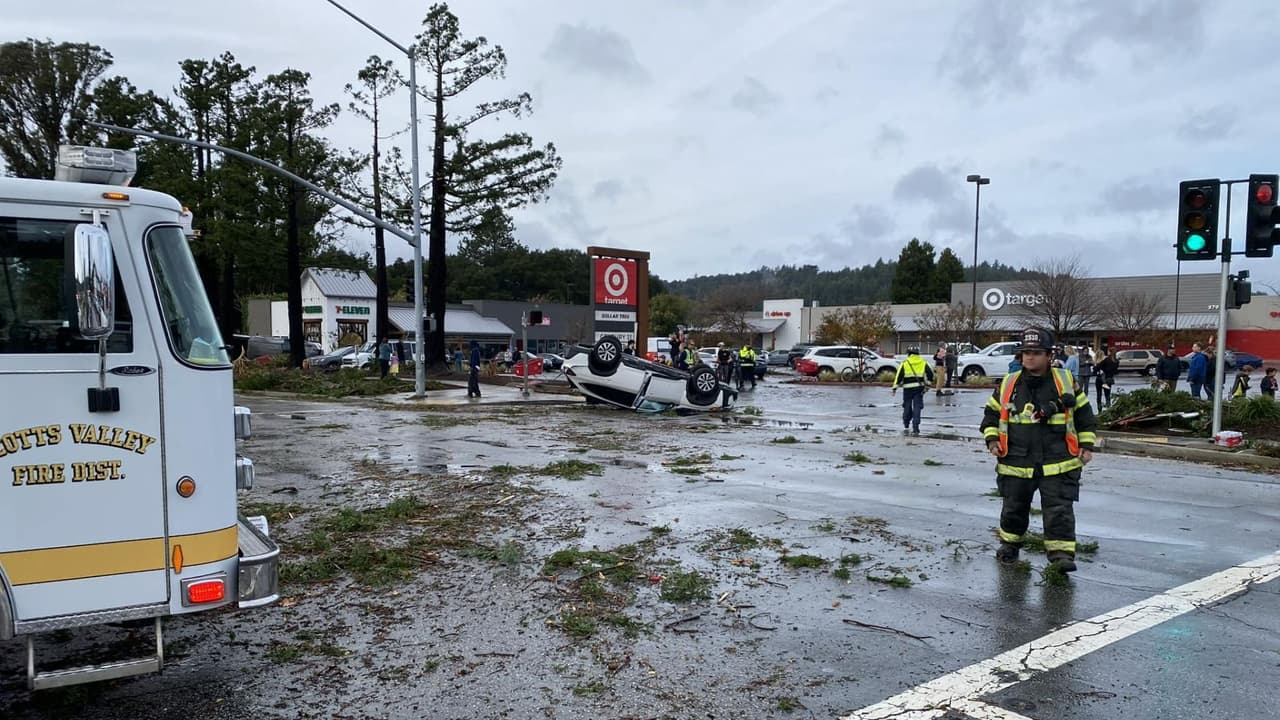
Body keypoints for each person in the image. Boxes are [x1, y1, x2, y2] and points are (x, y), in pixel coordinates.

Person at [981, 327, 1097, 574]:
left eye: (1035, 353)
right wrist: (992, 441)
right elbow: (990, 416)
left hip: (1059, 460)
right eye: (1025, 353)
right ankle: (1009, 547)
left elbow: (1085, 416)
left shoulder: (1065, 382)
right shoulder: (1008, 384)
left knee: (1059, 510)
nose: (1029, 358)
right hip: (1015, 460)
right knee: (1013, 507)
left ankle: (1061, 555)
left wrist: (1086, 446)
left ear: (1048, 355)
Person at [891, 346, 934, 436]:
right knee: (917, 407)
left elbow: (899, 376)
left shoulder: (905, 363)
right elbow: (931, 374)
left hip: (907, 389)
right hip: (919, 388)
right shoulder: (923, 362)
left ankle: (906, 422)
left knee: (907, 405)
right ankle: (916, 426)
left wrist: (894, 388)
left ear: (909, 354)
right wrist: (928, 383)